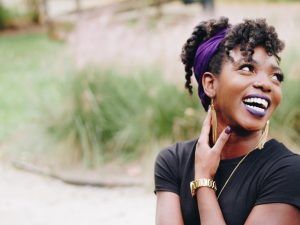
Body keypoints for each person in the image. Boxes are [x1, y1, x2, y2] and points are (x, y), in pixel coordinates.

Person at [154, 17, 300, 225]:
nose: (266, 84)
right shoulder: (174, 162)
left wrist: (204, 183)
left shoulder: (289, 172)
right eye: (248, 68)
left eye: (276, 76)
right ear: (210, 84)